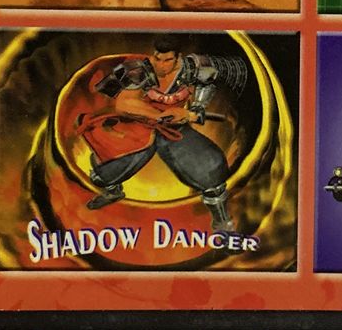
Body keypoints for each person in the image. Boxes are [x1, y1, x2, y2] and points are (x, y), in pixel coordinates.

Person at [75, 35, 246, 230]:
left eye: (167, 60)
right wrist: (159, 115)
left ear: (178, 58)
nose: (160, 65)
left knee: (211, 167)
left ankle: (222, 223)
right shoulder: (138, 69)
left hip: (174, 129)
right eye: (157, 58)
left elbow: (201, 99)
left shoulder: (195, 68)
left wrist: (190, 114)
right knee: (105, 169)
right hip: (139, 126)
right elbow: (124, 104)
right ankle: (113, 191)